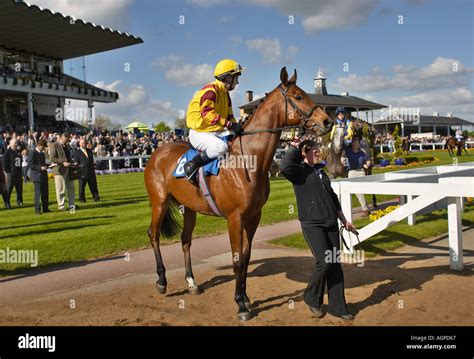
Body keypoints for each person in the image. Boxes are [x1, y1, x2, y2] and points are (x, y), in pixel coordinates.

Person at [280, 137, 356, 320]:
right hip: (312, 224)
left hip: (331, 222)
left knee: (335, 265)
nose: (316, 151)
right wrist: (294, 147)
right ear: (304, 153)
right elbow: (284, 166)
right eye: (313, 149)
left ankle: (339, 308)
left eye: (317, 149)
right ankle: (312, 298)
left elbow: (333, 198)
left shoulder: (321, 172)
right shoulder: (298, 172)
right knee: (324, 261)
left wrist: (345, 221)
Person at [184, 58, 245, 184]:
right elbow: (207, 113)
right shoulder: (211, 91)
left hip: (215, 131)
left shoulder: (225, 94)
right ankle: (192, 164)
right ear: (228, 78)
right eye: (236, 77)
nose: (237, 81)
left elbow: (229, 116)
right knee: (221, 147)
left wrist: (236, 125)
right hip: (199, 133)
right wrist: (229, 125)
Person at [49, 133, 76, 211]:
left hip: (69, 169)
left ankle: (72, 205)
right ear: (61, 138)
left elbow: (68, 157)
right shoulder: (54, 145)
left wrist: (72, 162)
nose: (67, 141)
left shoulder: (67, 146)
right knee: (61, 189)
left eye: (68, 139)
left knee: (71, 188)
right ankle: (61, 206)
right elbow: (52, 158)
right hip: (59, 169)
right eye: (66, 139)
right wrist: (63, 162)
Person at [345, 137, 371, 216]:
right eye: (354, 142)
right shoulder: (348, 151)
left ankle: (365, 209)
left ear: (359, 144)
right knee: (356, 191)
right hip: (351, 172)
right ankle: (366, 208)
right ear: (352, 143)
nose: (355, 144)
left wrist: (366, 165)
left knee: (358, 191)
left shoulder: (362, 152)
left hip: (360, 172)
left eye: (357, 142)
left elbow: (368, 161)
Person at [27, 139, 50, 214]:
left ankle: (45, 208)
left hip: (43, 175)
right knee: (38, 193)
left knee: (45, 193)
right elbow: (30, 164)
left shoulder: (42, 154)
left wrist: (49, 165)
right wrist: (40, 168)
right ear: (39, 145)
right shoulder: (32, 152)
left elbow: (43, 164)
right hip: (37, 176)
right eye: (44, 146)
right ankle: (37, 210)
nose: (44, 148)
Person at [3, 138, 23, 208]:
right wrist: (8, 172)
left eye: (16, 143)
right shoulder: (7, 152)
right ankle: (7, 202)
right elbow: (4, 163)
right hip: (11, 174)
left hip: (18, 173)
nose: (15, 144)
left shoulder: (18, 151)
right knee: (9, 189)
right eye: (14, 143)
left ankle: (19, 201)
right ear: (10, 143)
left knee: (19, 189)